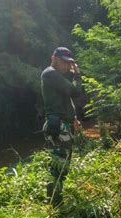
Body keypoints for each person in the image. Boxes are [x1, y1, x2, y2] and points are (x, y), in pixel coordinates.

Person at [41, 47, 83, 206]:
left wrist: (74, 119)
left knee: (63, 166)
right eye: (64, 61)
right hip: (57, 126)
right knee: (58, 167)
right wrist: (77, 75)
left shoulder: (58, 76)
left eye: (69, 63)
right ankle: (54, 204)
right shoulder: (50, 73)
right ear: (54, 58)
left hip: (63, 124)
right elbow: (75, 91)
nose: (66, 65)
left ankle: (56, 201)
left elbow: (67, 99)